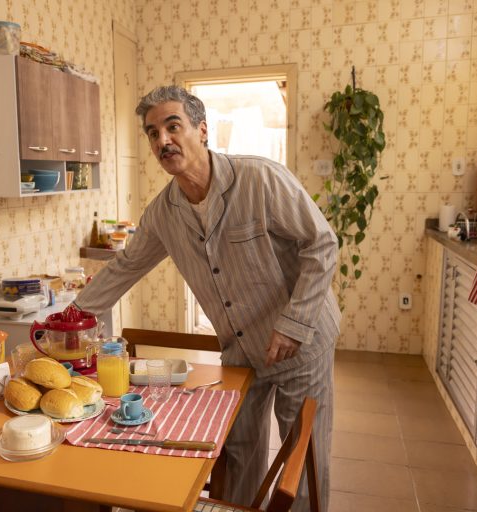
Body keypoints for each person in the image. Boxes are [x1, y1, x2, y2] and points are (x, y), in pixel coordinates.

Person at [73, 85, 340, 511]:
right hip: (240, 348)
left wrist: (294, 324)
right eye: (153, 133)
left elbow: (322, 243)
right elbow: (126, 266)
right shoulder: (163, 213)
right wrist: (72, 317)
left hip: (301, 341)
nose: (162, 140)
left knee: (301, 456)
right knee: (237, 448)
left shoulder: (261, 179)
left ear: (202, 130)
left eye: (172, 126)